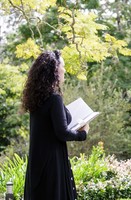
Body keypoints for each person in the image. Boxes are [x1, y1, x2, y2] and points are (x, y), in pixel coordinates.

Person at [22, 50, 89, 200]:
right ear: (55, 70)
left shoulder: (37, 99)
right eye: (62, 66)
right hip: (52, 162)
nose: (64, 70)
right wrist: (82, 134)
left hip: (37, 161)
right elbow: (62, 132)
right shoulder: (54, 98)